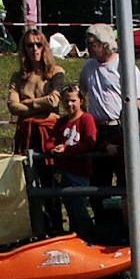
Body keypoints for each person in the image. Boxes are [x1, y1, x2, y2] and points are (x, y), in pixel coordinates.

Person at [79, 23, 140, 221]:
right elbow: (82, 93)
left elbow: (138, 99)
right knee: (98, 183)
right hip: (96, 130)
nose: (88, 47)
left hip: (119, 128)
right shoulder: (88, 67)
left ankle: (127, 228)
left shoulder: (124, 65)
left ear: (104, 44)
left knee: (125, 182)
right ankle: (103, 226)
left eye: (92, 43)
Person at [8, 28, 64, 233]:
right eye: (30, 45)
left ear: (45, 47)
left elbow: (54, 100)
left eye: (39, 44)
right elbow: (12, 106)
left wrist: (28, 103)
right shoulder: (18, 76)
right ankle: (34, 231)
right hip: (26, 136)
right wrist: (40, 105)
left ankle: (56, 230)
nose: (35, 49)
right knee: (28, 184)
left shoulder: (56, 72)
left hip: (48, 134)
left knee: (51, 185)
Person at [46, 83, 96, 240]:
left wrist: (68, 151)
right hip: (63, 172)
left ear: (80, 100)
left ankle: (88, 238)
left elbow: (90, 143)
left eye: (73, 100)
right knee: (70, 209)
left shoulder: (86, 119)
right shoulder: (61, 122)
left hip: (79, 172)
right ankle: (75, 238)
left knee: (80, 209)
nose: (69, 104)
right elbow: (50, 141)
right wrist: (52, 149)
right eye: (66, 101)